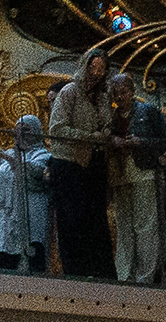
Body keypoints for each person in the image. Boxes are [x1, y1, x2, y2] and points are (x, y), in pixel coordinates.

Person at [43, 56, 114, 278]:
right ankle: (76, 274)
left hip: (93, 165)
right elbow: (57, 129)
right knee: (72, 222)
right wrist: (90, 137)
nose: (96, 72)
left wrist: (106, 135)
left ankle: (102, 273)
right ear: (85, 66)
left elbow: (108, 126)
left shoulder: (102, 98)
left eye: (102, 69)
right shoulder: (69, 92)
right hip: (69, 164)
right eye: (93, 67)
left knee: (96, 222)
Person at [110, 72, 166, 282]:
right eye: (116, 93)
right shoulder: (112, 118)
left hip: (143, 172)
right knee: (124, 225)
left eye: (124, 92)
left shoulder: (149, 111)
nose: (120, 97)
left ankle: (145, 275)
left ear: (132, 91)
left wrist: (141, 141)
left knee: (145, 225)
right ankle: (124, 273)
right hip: (119, 174)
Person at [0, 114, 46, 270]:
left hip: (28, 218)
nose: (21, 134)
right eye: (18, 130)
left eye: (26, 129)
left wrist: (3, 155)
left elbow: (34, 172)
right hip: (3, 220)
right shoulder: (6, 155)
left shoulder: (42, 155)